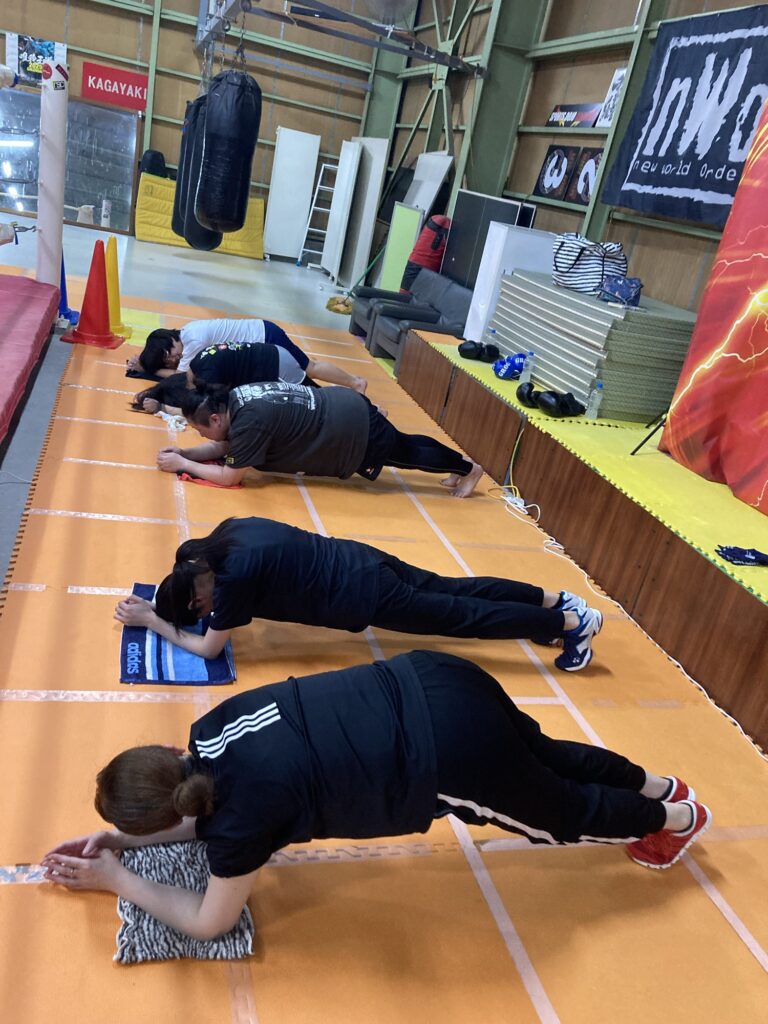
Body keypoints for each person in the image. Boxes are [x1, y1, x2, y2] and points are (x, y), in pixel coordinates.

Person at [42, 650, 712, 941]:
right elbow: (204, 808)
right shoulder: (211, 729)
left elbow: (209, 921)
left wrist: (116, 879)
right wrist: (121, 839)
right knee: (544, 753)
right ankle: (658, 784)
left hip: (447, 754)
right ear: (166, 755)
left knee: (560, 816)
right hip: (435, 679)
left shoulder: (238, 825)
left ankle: (676, 817)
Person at [113, 516, 603, 672]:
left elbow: (208, 648)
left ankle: (570, 625)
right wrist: (159, 604)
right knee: (457, 589)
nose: (210, 613)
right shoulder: (225, 536)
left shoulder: (234, 581)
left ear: (199, 600)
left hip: (366, 594)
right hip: (363, 558)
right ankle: (553, 600)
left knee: (463, 617)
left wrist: (154, 620)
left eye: (201, 610)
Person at [155, 380, 485, 498]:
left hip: (353, 430)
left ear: (215, 418)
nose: (201, 435)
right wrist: (187, 453)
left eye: (200, 430)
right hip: (343, 405)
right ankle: (460, 465)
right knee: (406, 443)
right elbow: (227, 446)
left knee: (407, 454)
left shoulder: (249, 423)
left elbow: (230, 476)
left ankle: (468, 469)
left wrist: (183, 463)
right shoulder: (238, 397)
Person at [127, 320, 367, 394]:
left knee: (309, 368)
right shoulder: (188, 332)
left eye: (167, 356)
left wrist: (150, 371)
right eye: (166, 362)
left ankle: (355, 383)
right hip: (262, 337)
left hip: (266, 338)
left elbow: (183, 377)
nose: (172, 360)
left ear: (170, 340)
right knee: (304, 374)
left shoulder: (192, 341)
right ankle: (350, 388)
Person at [131, 341, 307, 415]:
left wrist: (162, 408)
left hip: (276, 368)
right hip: (274, 353)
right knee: (313, 396)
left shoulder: (209, 379)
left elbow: (209, 413)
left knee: (308, 402)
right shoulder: (197, 364)